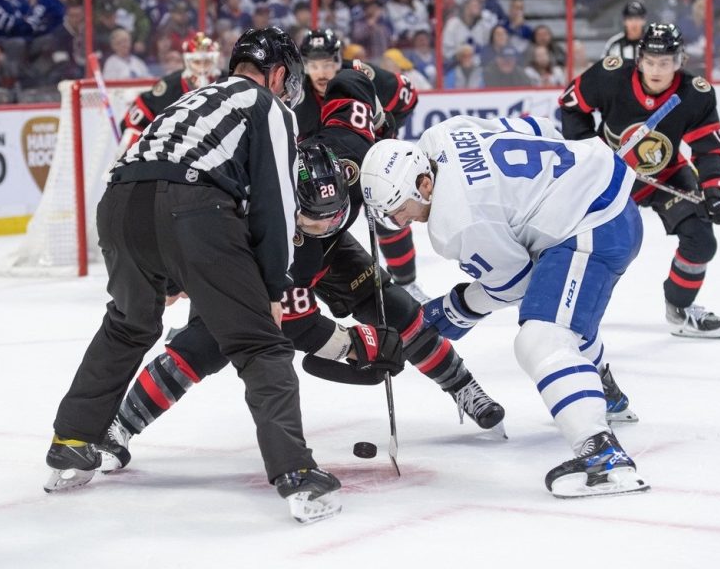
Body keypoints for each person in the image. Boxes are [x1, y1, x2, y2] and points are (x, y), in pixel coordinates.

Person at [99, 70, 506, 476]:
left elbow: (354, 82)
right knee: (204, 345)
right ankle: (120, 426)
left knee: (397, 308)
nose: (324, 226)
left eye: (334, 217)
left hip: (331, 255)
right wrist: (351, 344)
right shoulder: (265, 229)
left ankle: (465, 387)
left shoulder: (351, 150)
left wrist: (381, 121)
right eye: (311, 222)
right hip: (259, 265)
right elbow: (297, 324)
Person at [44, 26, 342, 525]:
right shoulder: (269, 106)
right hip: (190, 207)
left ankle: (70, 442)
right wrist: (272, 286)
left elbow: (149, 171)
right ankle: (296, 475)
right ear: (276, 73)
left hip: (119, 206)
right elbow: (274, 204)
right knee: (260, 344)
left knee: (128, 324)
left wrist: (168, 271)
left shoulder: (195, 97)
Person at [360, 114, 649, 498]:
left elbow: (516, 284)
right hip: (597, 194)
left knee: (541, 338)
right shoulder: (443, 135)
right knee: (555, 309)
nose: (397, 221)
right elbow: (539, 127)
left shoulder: (456, 222)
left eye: (399, 208)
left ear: (424, 183)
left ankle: (603, 456)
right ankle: (602, 391)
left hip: (592, 225)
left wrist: (454, 308)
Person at [560, 23, 720, 338]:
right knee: (582, 247)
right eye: (651, 62)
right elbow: (572, 106)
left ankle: (679, 309)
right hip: (609, 177)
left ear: (679, 61)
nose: (657, 70)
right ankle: (562, 312)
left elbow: (710, 148)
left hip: (665, 174)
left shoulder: (695, 94)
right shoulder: (610, 76)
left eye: (665, 63)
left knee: (702, 240)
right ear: (640, 60)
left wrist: (715, 189)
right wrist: (588, 149)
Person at [295, 28, 427, 301]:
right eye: (313, 64)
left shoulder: (359, 76)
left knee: (391, 213)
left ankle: (408, 282)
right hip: (324, 177)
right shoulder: (294, 93)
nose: (321, 72)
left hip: (370, 159)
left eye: (328, 63)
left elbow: (409, 96)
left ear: (338, 58)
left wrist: (385, 132)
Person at [120, 32, 221, 146]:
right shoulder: (170, 85)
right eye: (197, 62)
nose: (202, 68)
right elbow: (133, 121)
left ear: (214, 60)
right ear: (187, 61)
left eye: (207, 62)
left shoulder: (227, 81)